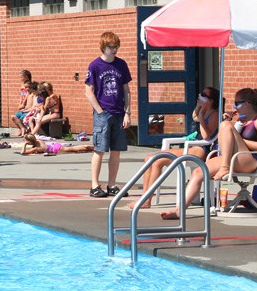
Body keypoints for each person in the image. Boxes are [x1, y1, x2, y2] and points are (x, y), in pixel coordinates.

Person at [161, 88, 257, 220]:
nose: (234, 107)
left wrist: (237, 137)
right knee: (198, 172)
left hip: (249, 161)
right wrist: (232, 127)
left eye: (237, 103)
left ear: (247, 103)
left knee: (225, 125)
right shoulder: (242, 121)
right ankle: (179, 210)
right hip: (233, 158)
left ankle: (225, 167)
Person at [136, 86, 219, 209]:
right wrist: (199, 106)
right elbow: (194, 116)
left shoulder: (214, 114)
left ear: (211, 101)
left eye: (203, 95)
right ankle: (143, 198)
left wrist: (202, 115)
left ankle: (147, 201)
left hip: (200, 150)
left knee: (157, 161)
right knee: (149, 159)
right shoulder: (203, 111)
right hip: (193, 146)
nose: (200, 95)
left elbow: (207, 136)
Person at [84, 31, 132, 198]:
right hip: (103, 113)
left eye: (116, 46)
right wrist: (100, 111)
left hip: (119, 112)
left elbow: (126, 90)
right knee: (99, 149)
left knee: (116, 150)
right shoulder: (95, 66)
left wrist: (127, 112)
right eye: (111, 47)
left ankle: (112, 184)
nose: (114, 50)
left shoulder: (121, 64)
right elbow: (88, 91)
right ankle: (94, 185)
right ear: (103, 47)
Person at [21, 134, 94, 156]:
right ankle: (86, 147)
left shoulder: (36, 148)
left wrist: (25, 144)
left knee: (73, 149)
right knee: (72, 148)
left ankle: (86, 146)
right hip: (54, 145)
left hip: (55, 148)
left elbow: (23, 152)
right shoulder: (38, 141)